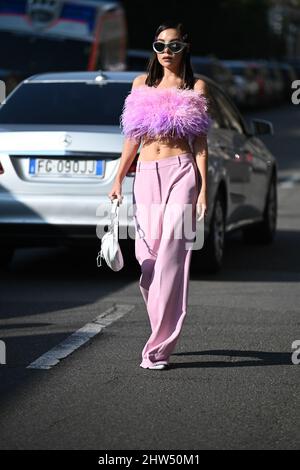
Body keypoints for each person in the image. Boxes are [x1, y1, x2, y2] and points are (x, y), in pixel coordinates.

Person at [108, 20, 212, 370]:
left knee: (172, 255)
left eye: (174, 46)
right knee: (149, 262)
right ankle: (160, 326)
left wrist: (202, 193)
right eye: (160, 46)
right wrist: (118, 178)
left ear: (185, 48)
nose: (167, 52)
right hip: (146, 178)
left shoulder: (194, 86)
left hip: (181, 172)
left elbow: (200, 146)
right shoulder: (140, 85)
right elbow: (131, 140)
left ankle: (158, 348)